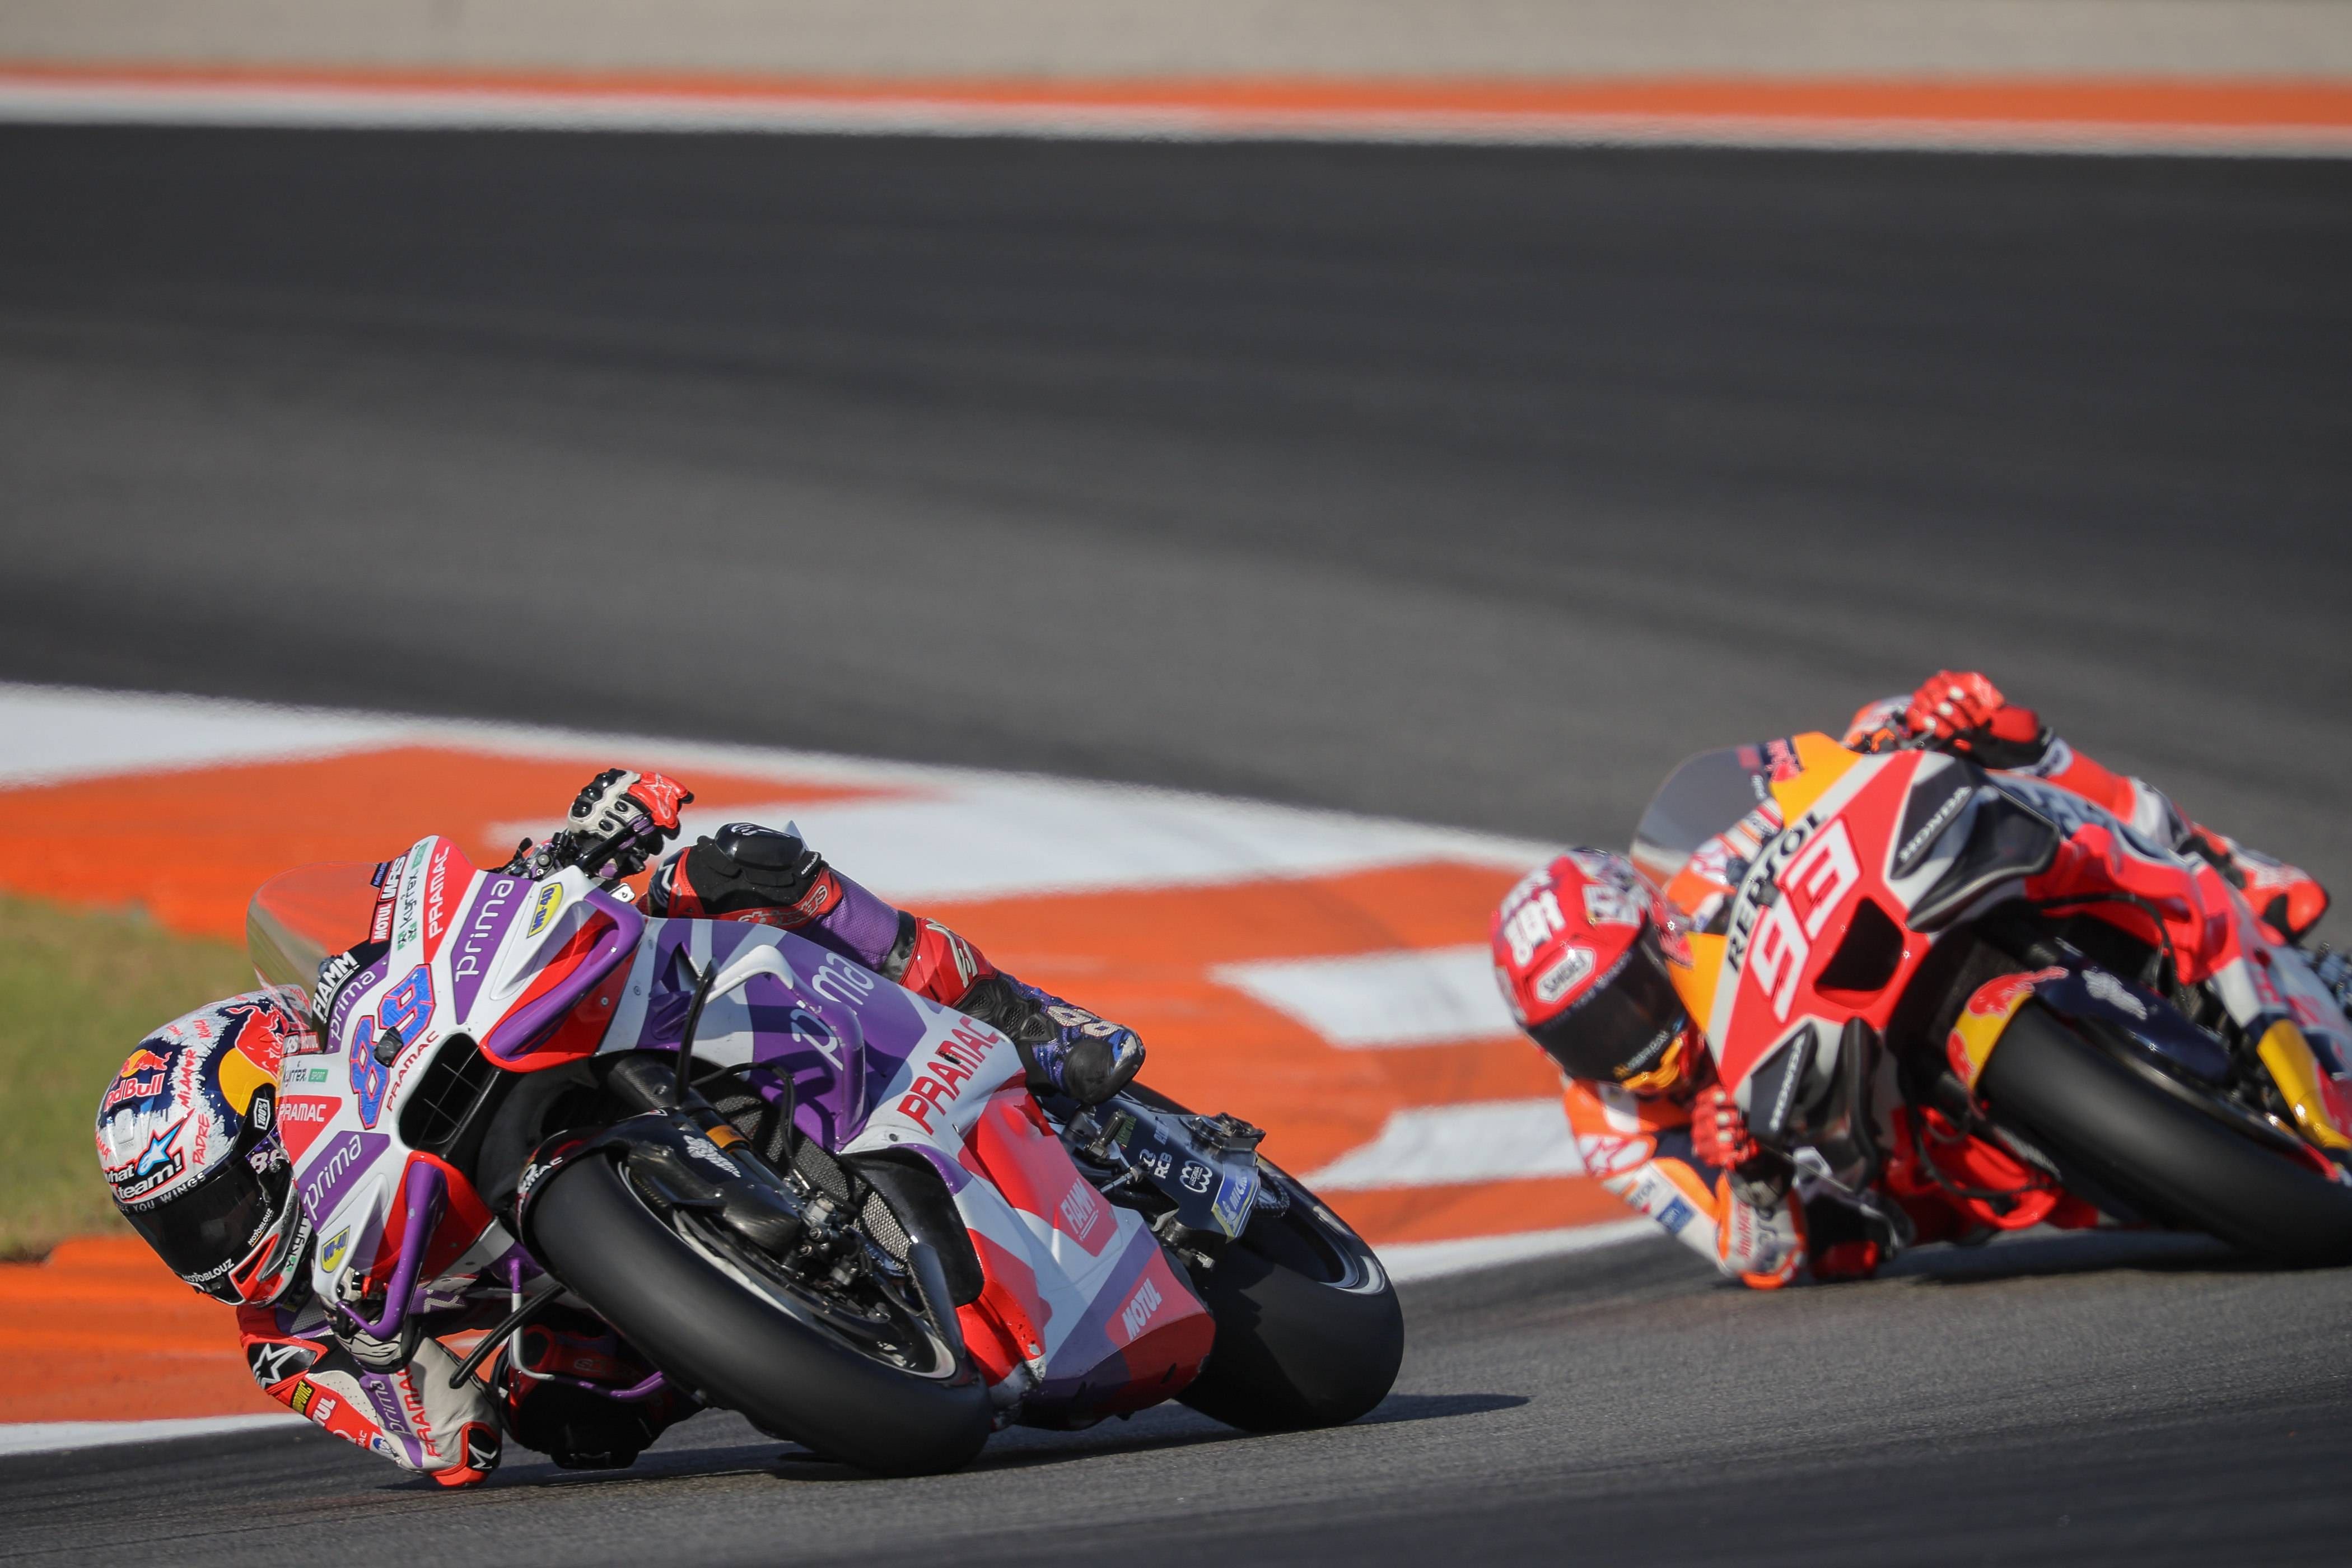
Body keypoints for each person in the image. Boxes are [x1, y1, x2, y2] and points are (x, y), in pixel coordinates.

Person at [95, 768, 1145, 1486]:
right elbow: (452, 1446)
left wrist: (581, 843)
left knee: (732, 870)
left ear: (277, 1111)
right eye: (180, 1232)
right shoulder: (285, 1338)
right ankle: (813, 1337)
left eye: (218, 1206)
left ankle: (1024, 1019)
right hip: (602, 1315)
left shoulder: (351, 1020)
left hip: (574, 1056)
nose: (215, 1246)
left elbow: (452, 923)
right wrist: (386, 1355)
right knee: (567, 1417)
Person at [1489, 670, 2333, 1290]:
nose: (1631, 1044)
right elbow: (1755, 1256)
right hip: (1892, 1171)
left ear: (1657, 933)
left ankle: (2215, 864)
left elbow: (1814, 770)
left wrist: (1911, 728)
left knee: (1980, 731)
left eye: (1629, 999)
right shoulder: (1612, 1126)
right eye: (1588, 1036)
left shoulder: (1702, 883)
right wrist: (1754, 1179)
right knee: (1853, 1244)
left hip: (1879, 971)